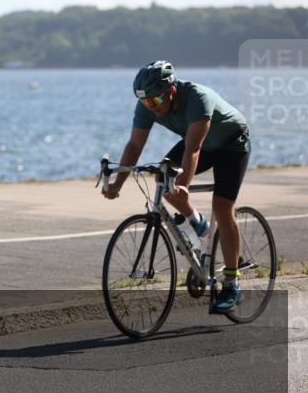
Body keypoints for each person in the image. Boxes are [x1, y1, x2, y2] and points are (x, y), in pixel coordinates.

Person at [102, 60, 251, 313]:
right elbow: (135, 146)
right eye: (146, 102)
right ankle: (198, 224)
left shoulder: (197, 99)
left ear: (170, 90)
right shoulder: (148, 103)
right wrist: (117, 183)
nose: (151, 107)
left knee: (222, 207)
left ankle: (232, 284)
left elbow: (193, 149)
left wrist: (183, 185)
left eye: (155, 101)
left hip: (231, 144)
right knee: (163, 179)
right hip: (200, 144)